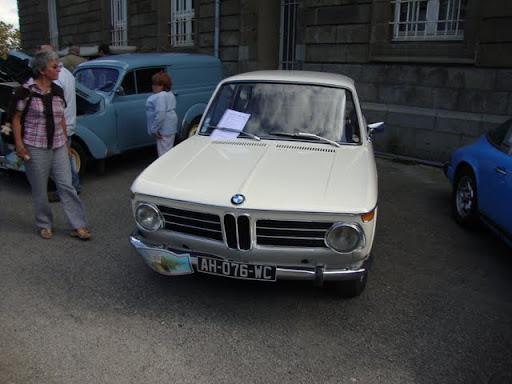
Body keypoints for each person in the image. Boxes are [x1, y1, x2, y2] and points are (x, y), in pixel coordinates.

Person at [12, 50, 91, 240]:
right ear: (41, 70)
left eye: (58, 66)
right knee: (40, 188)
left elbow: (61, 118)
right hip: (35, 145)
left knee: (67, 185)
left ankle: (78, 225)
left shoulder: (58, 90)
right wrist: (20, 146)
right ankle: (44, 224)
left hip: (57, 145)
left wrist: (65, 143)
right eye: (54, 67)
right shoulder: (26, 91)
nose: (58, 70)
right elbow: (16, 119)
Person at [40, 44, 81, 202]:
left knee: (63, 160)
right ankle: (73, 186)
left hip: (60, 123)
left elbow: (54, 105)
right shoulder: (67, 73)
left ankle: (71, 188)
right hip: (67, 120)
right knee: (66, 157)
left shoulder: (56, 78)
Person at [145, 72, 178, 157]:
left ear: (163, 86)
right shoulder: (169, 94)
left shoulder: (161, 96)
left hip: (163, 128)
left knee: (163, 153)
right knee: (168, 149)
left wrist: (154, 129)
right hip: (170, 126)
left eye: (156, 85)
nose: (153, 87)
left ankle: (166, 169)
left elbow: (160, 114)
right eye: (153, 84)